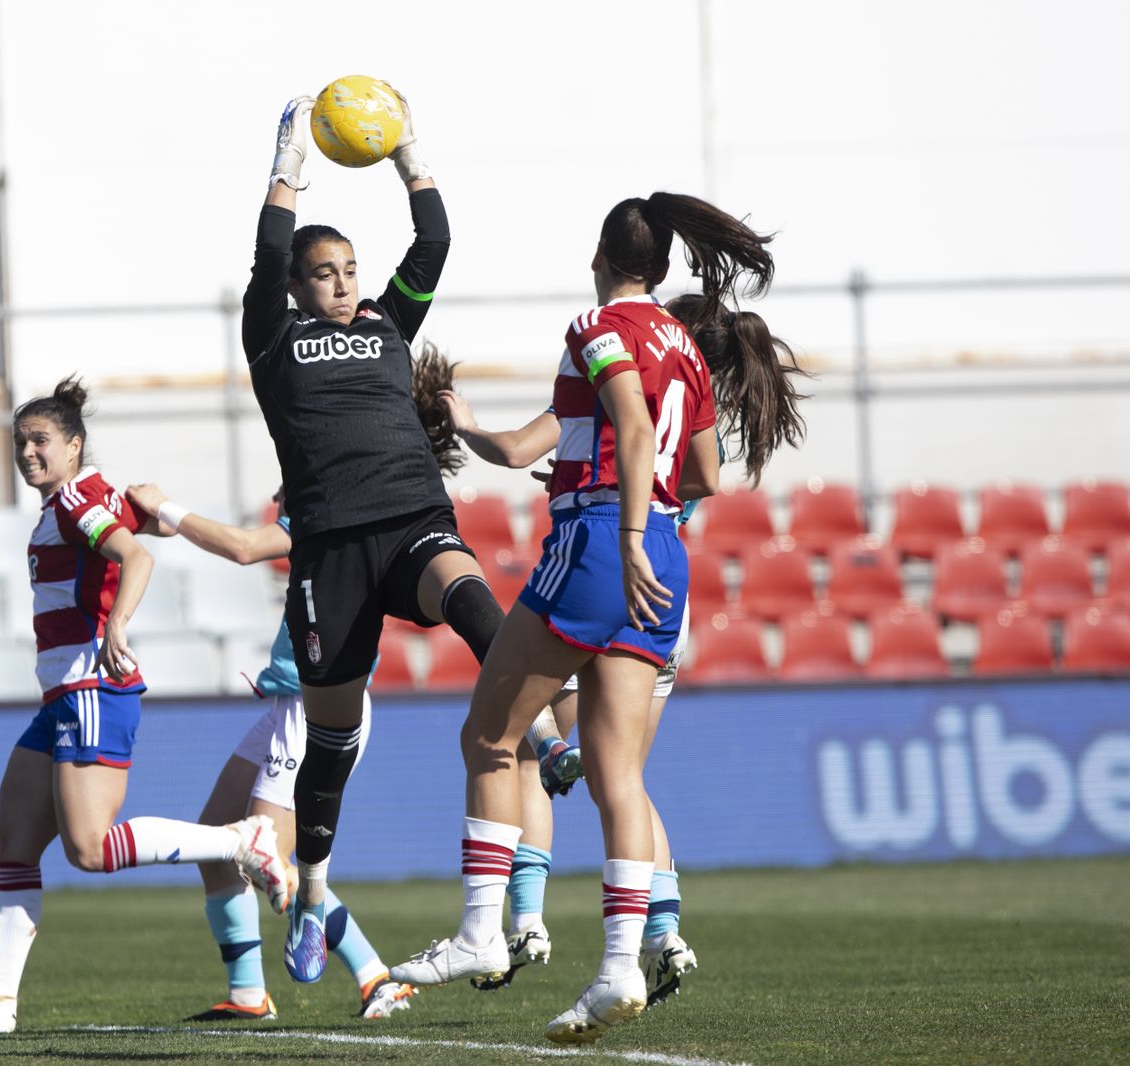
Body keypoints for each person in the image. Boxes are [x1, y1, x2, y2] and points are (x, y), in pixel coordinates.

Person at [391, 192, 805, 1047]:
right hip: (662, 562)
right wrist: (474, 429)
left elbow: (629, 421)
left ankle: (480, 933)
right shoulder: (686, 346)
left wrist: (617, 524)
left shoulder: (597, 325)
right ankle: (621, 965)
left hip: (602, 553)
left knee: (489, 738)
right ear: (662, 265)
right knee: (618, 775)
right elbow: (701, 474)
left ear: (602, 257)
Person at [246, 93, 532, 985]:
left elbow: (434, 243)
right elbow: (264, 251)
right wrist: (287, 167)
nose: (343, 281)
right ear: (297, 285)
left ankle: (546, 733)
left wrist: (410, 151)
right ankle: (315, 887)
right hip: (329, 552)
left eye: (350, 268)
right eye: (325, 271)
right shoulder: (273, 337)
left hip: (412, 516)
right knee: (329, 746)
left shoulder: (386, 327)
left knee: (466, 589)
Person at [0, 376, 288, 1034]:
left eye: (41, 441)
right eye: (20, 442)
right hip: (62, 695)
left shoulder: (71, 502)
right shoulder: (80, 496)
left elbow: (135, 556)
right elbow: (136, 527)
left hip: (91, 687)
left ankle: (240, 839)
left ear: (74, 445)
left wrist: (116, 624)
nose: (28, 452)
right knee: (15, 840)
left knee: (88, 850)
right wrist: (142, 504)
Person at [125, 481, 416, 1022]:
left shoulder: (324, 520)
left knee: (269, 860)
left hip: (313, 713)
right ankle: (247, 995)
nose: (278, 497)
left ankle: (376, 975)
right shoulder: (322, 522)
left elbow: (240, 548)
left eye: (288, 487)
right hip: (288, 707)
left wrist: (164, 506)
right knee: (218, 839)